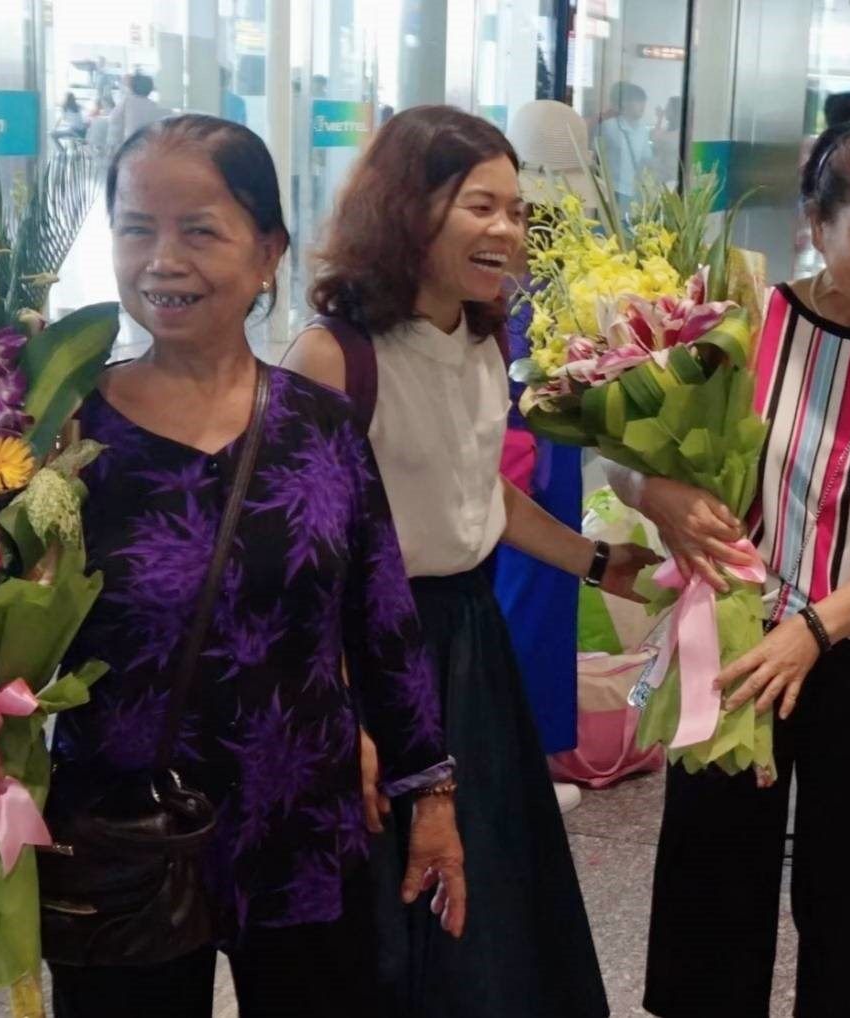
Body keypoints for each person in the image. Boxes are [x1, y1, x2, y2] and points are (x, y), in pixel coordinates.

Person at [0, 113, 467, 1018]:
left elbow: (384, 621)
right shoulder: (56, 432)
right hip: (122, 832)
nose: (163, 259)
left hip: (305, 833)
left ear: (269, 249)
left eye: (200, 229)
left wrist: (428, 795)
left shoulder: (321, 428)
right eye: (137, 228)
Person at [285, 105, 657, 1018]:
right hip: (370, 653)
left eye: (516, 211)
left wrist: (596, 561)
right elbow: (300, 564)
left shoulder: (486, 340)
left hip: (470, 641)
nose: (507, 231)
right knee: (391, 905)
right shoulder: (334, 357)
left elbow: (480, 492)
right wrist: (342, 717)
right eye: (478, 206)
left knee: (488, 889)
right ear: (408, 210)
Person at [610, 119, 850, 1018]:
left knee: (846, 892)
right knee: (711, 886)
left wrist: (814, 630)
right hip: (732, 638)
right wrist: (657, 493)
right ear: (816, 223)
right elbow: (620, 446)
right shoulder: (739, 325)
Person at [497, 100, 597, 797]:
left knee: (538, 594)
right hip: (526, 453)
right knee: (529, 597)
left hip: (535, 449)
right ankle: (519, 757)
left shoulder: (506, 249)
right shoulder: (556, 262)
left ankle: (525, 756)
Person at [598, 81, 652, 213]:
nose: (642, 106)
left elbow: (646, 158)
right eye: (638, 101)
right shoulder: (609, 126)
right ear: (625, 103)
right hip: (613, 189)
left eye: (643, 101)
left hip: (634, 191)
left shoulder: (643, 129)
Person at [107, 71, 166, 150]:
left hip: (131, 145)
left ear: (132, 87)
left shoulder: (128, 101)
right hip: (150, 147)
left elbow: (113, 118)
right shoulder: (155, 106)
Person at [651, 96, 682, 187]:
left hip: (672, 178)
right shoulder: (666, 130)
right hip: (661, 176)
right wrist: (659, 118)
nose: (665, 110)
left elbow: (657, 138)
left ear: (676, 111)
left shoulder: (680, 132)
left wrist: (660, 118)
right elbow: (655, 139)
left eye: (668, 107)